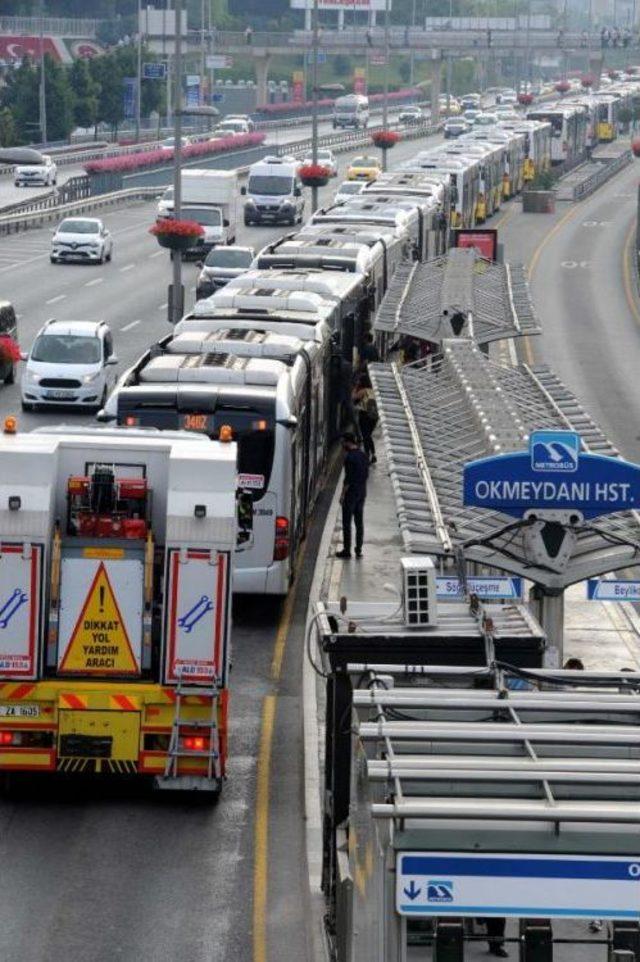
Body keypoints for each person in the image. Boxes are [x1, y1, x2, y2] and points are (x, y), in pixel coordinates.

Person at [336, 433, 369, 560]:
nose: (342, 445)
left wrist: (342, 495)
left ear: (347, 442)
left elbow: (348, 479)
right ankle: (358, 549)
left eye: (343, 442)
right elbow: (366, 475)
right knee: (359, 522)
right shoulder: (363, 456)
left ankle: (346, 550)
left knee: (347, 523)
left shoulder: (349, 458)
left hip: (351, 494)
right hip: (362, 492)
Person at [353, 373, 378, 464]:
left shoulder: (363, 391)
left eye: (359, 381)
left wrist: (355, 387)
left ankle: (367, 455)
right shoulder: (373, 390)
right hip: (374, 417)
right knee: (368, 436)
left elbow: (353, 397)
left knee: (365, 436)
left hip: (364, 415)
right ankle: (373, 454)